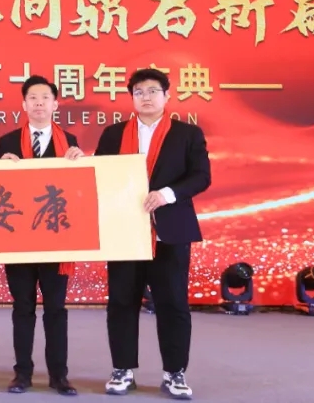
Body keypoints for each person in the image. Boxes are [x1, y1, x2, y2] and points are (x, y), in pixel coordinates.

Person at [95, 68, 211, 400]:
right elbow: (99, 174)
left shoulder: (187, 134)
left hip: (169, 232)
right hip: (125, 231)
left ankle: (174, 373)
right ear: (131, 97)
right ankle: (122, 369)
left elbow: (201, 176)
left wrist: (167, 194)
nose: (145, 97)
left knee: (173, 303)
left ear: (166, 95)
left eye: (152, 91)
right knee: (121, 302)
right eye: (139, 92)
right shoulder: (114, 134)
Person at [0, 75, 84, 396]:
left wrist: (80, 163)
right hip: (19, 242)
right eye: (32, 98)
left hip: (56, 242)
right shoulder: (7, 141)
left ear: (55, 104)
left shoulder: (69, 141)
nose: (39, 103)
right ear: (24, 104)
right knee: (23, 309)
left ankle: (59, 375)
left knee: (56, 309)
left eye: (45, 97)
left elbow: (77, 190)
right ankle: (22, 374)